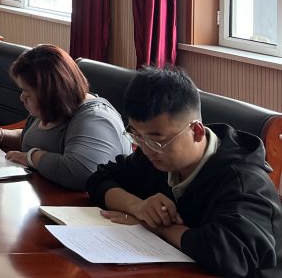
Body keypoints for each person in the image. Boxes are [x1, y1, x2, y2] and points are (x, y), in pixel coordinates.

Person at [87, 66, 282, 277]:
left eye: (156, 140)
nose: (146, 149)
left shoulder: (245, 181)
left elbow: (228, 255)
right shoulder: (155, 153)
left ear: (196, 131)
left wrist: (156, 227)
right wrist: (138, 207)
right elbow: (100, 179)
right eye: (137, 136)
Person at [0, 44, 130, 189]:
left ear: (50, 93)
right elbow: (40, 140)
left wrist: (32, 157)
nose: (22, 97)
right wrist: (0, 135)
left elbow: (80, 173)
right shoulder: (53, 107)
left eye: (27, 92)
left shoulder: (95, 119)